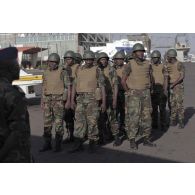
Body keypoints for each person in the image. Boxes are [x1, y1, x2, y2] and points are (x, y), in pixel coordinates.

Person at [69, 50, 106, 153]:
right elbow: (74, 86)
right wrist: (72, 100)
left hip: (92, 99)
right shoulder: (78, 69)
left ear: (93, 60)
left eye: (90, 59)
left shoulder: (97, 70)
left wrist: (103, 102)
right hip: (80, 99)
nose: (88, 61)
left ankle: (92, 144)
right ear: (84, 60)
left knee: (92, 122)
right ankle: (78, 144)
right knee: (79, 123)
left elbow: (102, 87)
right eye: (87, 59)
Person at [122, 43, 156, 150]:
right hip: (134, 94)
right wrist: (128, 92)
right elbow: (123, 81)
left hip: (146, 94)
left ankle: (146, 139)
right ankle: (132, 140)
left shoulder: (148, 64)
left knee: (147, 117)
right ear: (134, 53)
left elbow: (150, 77)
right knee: (134, 118)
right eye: (139, 51)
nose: (141, 53)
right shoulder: (129, 64)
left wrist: (151, 88)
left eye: (142, 51)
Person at [0, 47, 31, 162]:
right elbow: (17, 133)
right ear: (9, 68)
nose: (18, 68)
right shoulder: (12, 94)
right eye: (16, 65)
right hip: (11, 157)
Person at [40, 53, 71, 152]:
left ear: (57, 63)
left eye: (54, 62)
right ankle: (47, 144)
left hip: (59, 101)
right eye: (50, 61)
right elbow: (44, 87)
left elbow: (68, 87)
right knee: (47, 124)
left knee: (58, 124)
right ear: (48, 62)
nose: (52, 63)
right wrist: (42, 101)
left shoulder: (63, 72)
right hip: (47, 100)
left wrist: (68, 101)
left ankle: (58, 145)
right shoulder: (45, 72)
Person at [97, 52, 122, 146]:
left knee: (112, 118)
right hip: (99, 97)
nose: (103, 61)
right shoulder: (97, 70)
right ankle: (102, 137)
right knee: (100, 119)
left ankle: (116, 137)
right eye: (101, 59)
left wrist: (114, 99)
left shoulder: (111, 70)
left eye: (104, 59)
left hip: (110, 96)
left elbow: (115, 85)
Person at [166, 49, 185, 128]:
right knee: (171, 104)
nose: (167, 58)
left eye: (168, 57)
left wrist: (173, 84)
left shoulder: (179, 64)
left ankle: (181, 122)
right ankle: (173, 120)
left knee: (179, 104)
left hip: (178, 87)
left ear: (172, 57)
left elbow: (182, 76)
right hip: (170, 87)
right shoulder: (168, 64)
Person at [150, 50, 168, 131]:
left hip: (161, 88)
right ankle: (154, 124)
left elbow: (166, 78)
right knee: (153, 109)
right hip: (153, 89)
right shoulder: (150, 67)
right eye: (153, 58)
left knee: (162, 108)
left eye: (156, 57)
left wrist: (165, 90)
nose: (155, 59)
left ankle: (163, 124)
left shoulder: (163, 66)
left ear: (159, 58)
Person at [113, 51, 126, 137]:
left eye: (120, 59)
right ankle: (115, 130)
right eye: (117, 59)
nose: (119, 61)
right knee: (115, 112)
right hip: (115, 93)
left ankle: (123, 128)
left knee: (124, 112)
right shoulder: (112, 69)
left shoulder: (127, 68)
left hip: (124, 92)